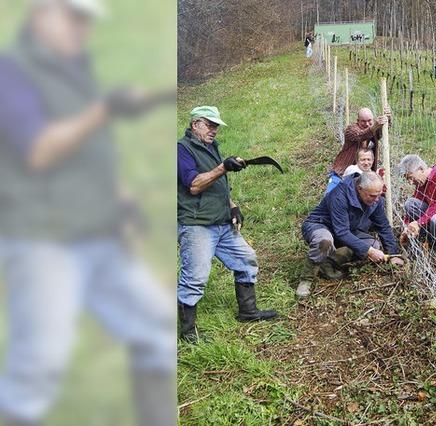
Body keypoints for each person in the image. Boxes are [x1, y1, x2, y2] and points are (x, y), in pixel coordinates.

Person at [0, 1, 175, 424]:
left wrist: (121, 201)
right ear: (41, 13)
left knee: (157, 329)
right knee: (40, 362)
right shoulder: (11, 72)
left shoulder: (76, 69)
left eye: (87, 21)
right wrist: (103, 110)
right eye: (73, 18)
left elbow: (92, 153)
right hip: (43, 237)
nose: (82, 29)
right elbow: (40, 151)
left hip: (99, 233)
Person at [177, 105, 278, 341]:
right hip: (197, 224)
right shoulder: (182, 149)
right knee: (195, 278)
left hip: (222, 222)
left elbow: (217, 186)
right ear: (195, 125)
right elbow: (194, 185)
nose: (214, 131)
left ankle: (248, 311)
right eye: (210, 125)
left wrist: (232, 206)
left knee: (246, 260)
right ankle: (188, 333)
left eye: (216, 127)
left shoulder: (210, 147)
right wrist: (223, 167)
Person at [297, 172, 404, 298]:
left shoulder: (375, 199)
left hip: (346, 229)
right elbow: (341, 232)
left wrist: (393, 254)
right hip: (320, 226)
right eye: (373, 196)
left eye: (379, 195)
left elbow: (383, 227)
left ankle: (327, 262)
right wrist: (368, 251)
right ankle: (306, 280)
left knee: (374, 245)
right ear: (359, 189)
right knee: (324, 241)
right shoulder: (339, 196)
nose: (377, 200)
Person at [326, 107, 391, 194]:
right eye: (363, 121)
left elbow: (383, 130)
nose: (367, 124)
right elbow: (361, 135)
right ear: (358, 121)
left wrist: (388, 118)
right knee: (330, 196)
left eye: (369, 121)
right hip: (341, 174)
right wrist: (374, 126)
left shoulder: (374, 132)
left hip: (362, 176)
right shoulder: (351, 130)